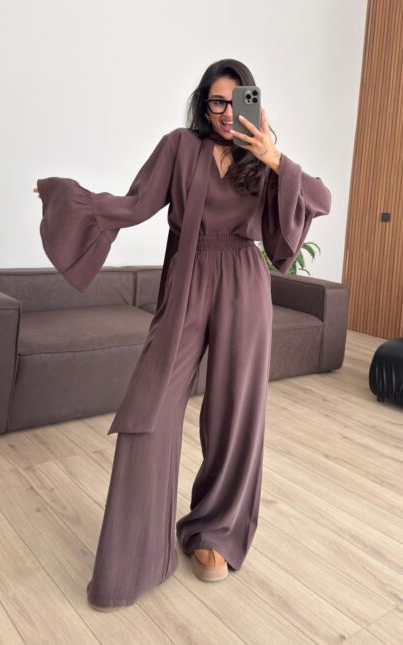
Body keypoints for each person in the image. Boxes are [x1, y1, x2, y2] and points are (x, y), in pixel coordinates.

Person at [33, 58, 332, 611]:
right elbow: (135, 204)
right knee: (151, 405)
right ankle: (137, 551)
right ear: (203, 104)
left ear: (253, 103)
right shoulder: (179, 147)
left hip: (244, 281)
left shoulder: (264, 159)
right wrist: (68, 199)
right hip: (190, 276)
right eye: (217, 101)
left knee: (235, 412)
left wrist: (272, 156)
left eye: (236, 101)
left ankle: (214, 531)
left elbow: (320, 198)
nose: (226, 113)